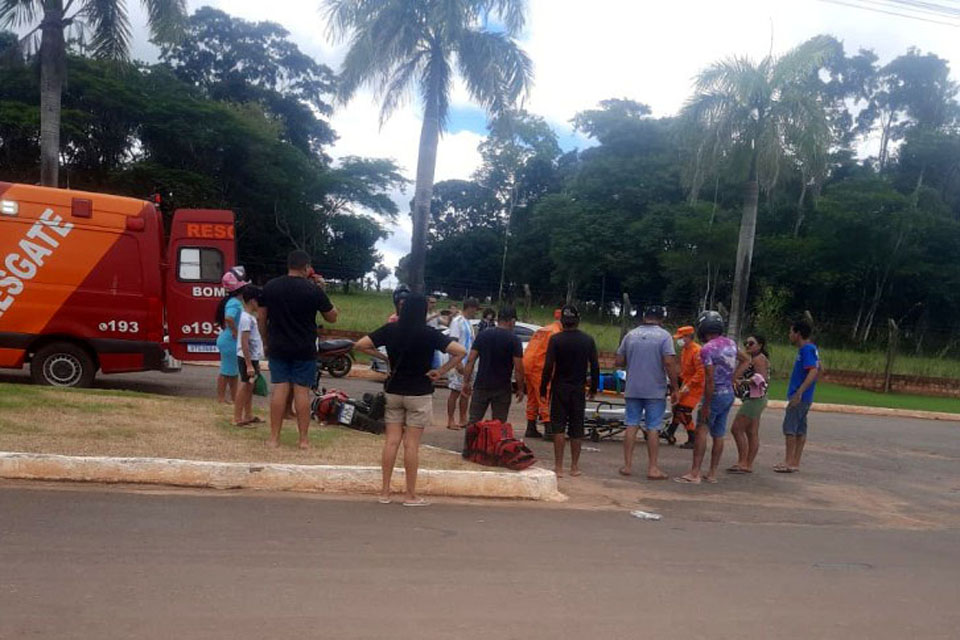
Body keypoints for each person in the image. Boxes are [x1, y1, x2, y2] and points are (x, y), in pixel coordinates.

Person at [354, 294, 466, 506]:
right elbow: (460, 351)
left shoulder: (390, 329)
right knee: (411, 445)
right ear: (423, 310)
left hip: (394, 390)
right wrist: (440, 371)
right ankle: (410, 495)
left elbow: (360, 345)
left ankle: (385, 492)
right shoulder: (429, 333)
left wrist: (385, 358)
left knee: (391, 441)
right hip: (419, 391)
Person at [258, 250, 338, 449]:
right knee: (302, 392)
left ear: (289, 265)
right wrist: (322, 289)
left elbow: (261, 317)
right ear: (306, 267)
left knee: (280, 389)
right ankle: (303, 440)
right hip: (304, 347)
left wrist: (266, 340)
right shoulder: (313, 290)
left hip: (278, 344)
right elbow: (332, 317)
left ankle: (274, 438)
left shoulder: (271, 287)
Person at [676, 311, 749, 485]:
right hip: (728, 394)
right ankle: (712, 473)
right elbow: (746, 360)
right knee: (719, 434)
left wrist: (707, 404)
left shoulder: (707, 349)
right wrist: (733, 378)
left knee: (702, 429)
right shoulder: (730, 343)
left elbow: (709, 380)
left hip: (714, 394)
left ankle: (695, 472)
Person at [615, 305, 679, 480]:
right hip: (655, 389)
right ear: (661, 319)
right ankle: (652, 468)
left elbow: (619, 361)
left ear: (645, 317)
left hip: (633, 387)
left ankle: (627, 466)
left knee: (631, 424)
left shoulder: (631, 335)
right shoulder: (664, 336)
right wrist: (675, 387)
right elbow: (669, 363)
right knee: (653, 427)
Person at [539, 305, 600, 478]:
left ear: (562, 321)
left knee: (558, 427)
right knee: (576, 427)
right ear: (578, 320)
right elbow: (595, 367)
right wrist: (593, 388)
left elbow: (548, 366)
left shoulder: (556, 340)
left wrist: (543, 388)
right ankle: (574, 466)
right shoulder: (587, 340)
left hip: (559, 388)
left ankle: (558, 467)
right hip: (578, 389)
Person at [462, 306, 525, 423]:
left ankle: (470, 441)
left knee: (474, 421)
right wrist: (520, 388)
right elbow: (519, 368)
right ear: (512, 321)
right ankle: (495, 442)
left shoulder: (483, 335)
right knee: (499, 423)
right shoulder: (514, 340)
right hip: (502, 387)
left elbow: (471, 360)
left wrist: (466, 382)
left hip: (481, 385)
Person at [776, 320, 820, 474]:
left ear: (798, 334)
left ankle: (788, 461)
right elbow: (820, 368)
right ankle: (795, 462)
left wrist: (799, 392)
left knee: (790, 428)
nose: (790, 335)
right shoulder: (811, 349)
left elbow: (813, 371)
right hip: (804, 396)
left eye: (791, 332)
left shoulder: (807, 350)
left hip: (799, 396)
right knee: (800, 429)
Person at [728, 334, 770, 474]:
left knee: (737, 429)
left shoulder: (759, 359)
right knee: (751, 432)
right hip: (755, 398)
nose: (747, 346)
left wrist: (742, 382)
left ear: (760, 345)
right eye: (746, 343)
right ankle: (747, 464)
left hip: (754, 399)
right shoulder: (756, 359)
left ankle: (743, 462)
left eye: (751, 343)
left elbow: (761, 379)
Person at [522, 309, 563, 439]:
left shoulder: (543, 329)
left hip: (528, 364)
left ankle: (531, 427)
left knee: (533, 397)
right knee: (544, 396)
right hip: (539, 366)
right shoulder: (556, 333)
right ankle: (548, 428)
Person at [662, 326, 704, 449]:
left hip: (695, 387)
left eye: (681, 338)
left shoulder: (697, 351)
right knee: (677, 410)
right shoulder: (685, 350)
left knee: (683, 411)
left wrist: (689, 385)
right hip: (686, 384)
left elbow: (701, 372)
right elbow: (683, 370)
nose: (679, 341)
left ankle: (692, 438)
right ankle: (670, 432)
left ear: (688, 337)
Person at [214, 266, 248, 404]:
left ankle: (234, 398)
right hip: (230, 340)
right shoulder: (234, 303)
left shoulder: (230, 301)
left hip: (229, 339)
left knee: (232, 371)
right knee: (226, 371)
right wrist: (235, 331)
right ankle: (221, 398)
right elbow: (229, 318)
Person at [446, 298, 479, 430]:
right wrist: (457, 362)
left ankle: (463, 418)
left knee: (466, 391)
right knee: (455, 391)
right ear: (470, 307)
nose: (476, 312)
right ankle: (450, 419)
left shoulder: (469, 324)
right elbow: (452, 341)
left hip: (469, 363)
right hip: (459, 362)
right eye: (475, 309)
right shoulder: (457, 321)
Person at [233, 286, 264, 427]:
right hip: (247, 357)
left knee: (250, 386)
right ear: (252, 301)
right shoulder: (246, 319)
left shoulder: (251, 318)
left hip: (253, 356)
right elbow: (244, 342)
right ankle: (237, 417)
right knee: (245, 385)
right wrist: (249, 364)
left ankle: (248, 414)